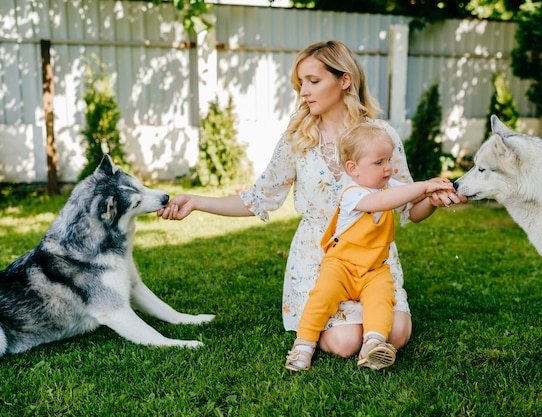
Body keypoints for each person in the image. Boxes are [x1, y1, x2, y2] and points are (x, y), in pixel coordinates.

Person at [158, 40, 465, 359]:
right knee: (346, 343)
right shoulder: (297, 138)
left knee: (397, 334)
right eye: (301, 83)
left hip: (374, 259)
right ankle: (342, 327)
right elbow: (257, 199)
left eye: (313, 81)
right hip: (319, 259)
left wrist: (432, 198)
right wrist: (196, 201)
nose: (304, 91)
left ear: (344, 80)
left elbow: (410, 209)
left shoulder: (381, 134)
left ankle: (367, 324)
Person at [285, 123, 454, 371]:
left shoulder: (387, 186)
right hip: (341, 266)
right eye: (379, 163)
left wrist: (434, 195)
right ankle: (303, 346)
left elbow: (411, 198)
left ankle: (373, 345)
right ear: (353, 168)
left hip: (374, 268)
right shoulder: (353, 192)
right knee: (322, 296)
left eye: (388, 160)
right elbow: (382, 202)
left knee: (381, 300)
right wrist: (423, 186)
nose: (387, 167)